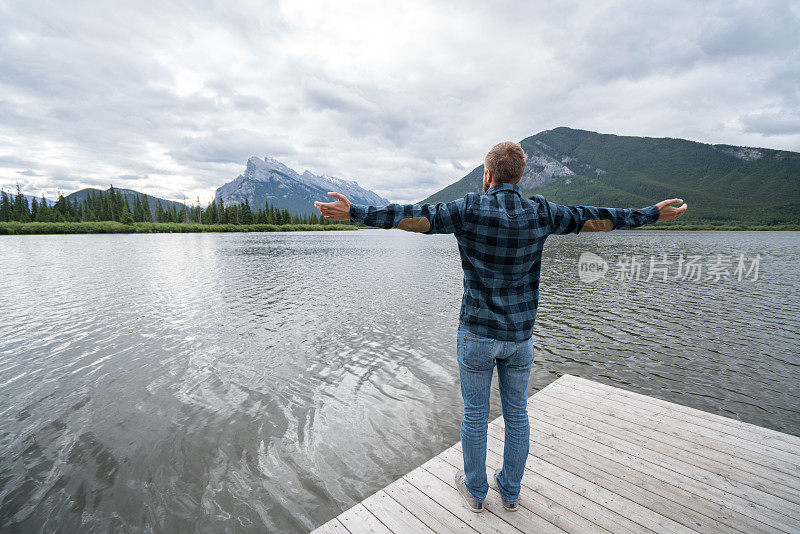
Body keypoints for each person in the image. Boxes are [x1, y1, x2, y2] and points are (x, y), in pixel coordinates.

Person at [314, 141, 687, 513]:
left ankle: (475, 492)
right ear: (520, 176)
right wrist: (650, 214)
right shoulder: (541, 212)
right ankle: (510, 491)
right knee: (517, 414)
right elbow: (598, 217)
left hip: (476, 332)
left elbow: (414, 216)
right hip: (519, 337)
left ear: (488, 175)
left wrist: (357, 212)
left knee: (476, 414)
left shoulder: (468, 209)